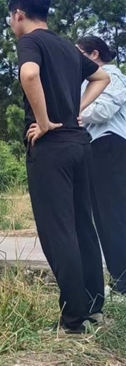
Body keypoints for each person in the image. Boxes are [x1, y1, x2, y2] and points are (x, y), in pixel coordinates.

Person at [8, 0, 110, 335]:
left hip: (51, 149)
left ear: (18, 14)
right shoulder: (67, 45)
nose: (11, 23)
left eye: (11, 17)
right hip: (81, 145)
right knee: (83, 225)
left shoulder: (30, 42)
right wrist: (74, 108)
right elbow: (102, 75)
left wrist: (47, 120)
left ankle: (73, 319)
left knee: (59, 232)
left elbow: (30, 75)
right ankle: (94, 306)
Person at [76, 35, 126, 299]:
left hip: (110, 147)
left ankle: (123, 284)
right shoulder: (90, 81)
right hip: (97, 149)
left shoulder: (111, 75)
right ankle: (119, 279)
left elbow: (105, 109)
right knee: (105, 219)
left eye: (79, 54)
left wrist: (73, 115)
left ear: (94, 54)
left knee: (113, 217)